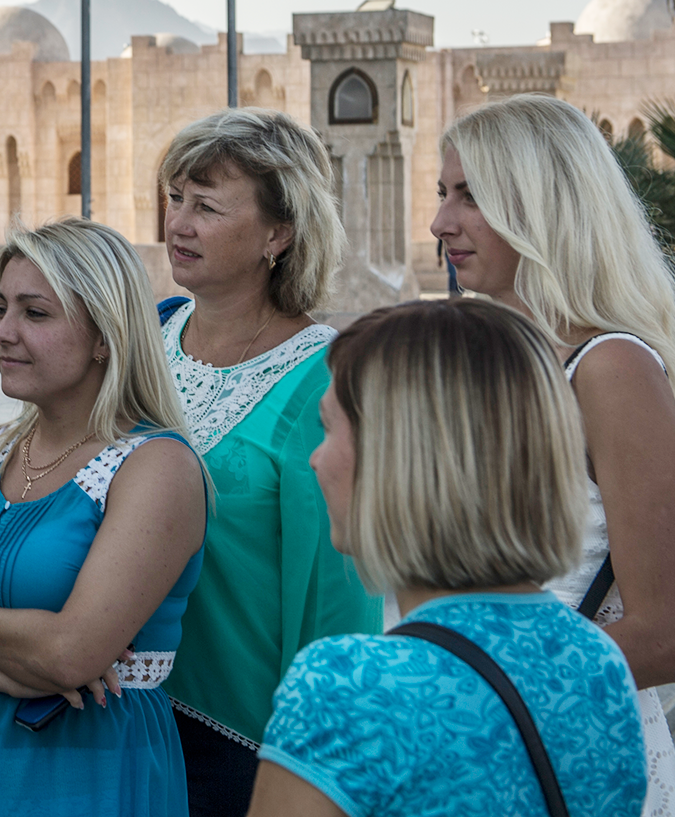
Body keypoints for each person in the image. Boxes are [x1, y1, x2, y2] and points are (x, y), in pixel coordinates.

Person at [250, 298, 648, 817]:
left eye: (329, 429)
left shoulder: (347, 688)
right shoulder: (599, 665)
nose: (315, 458)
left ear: (399, 459)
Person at [0, 218, 209, 815]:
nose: (3, 332)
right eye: (0, 309)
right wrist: (8, 678)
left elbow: (70, 655)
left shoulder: (156, 468)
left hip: (81, 773)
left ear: (105, 334)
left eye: (35, 314)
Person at [434, 93, 675, 815]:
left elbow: (668, 636)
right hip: (455, 741)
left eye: (471, 197)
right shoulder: (470, 353)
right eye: (442, 193)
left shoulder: (610, 367)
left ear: (542, 204)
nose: (440, 223)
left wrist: (465, 682)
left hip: (565, 748)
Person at [153, 108, 379, 816]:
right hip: (115, 718)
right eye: (176, 199)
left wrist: (310, 773)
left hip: (241, 750)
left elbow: (335, 603)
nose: (179, 224)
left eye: (207, 206)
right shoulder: (149, 334)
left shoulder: (328, 377)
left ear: (278, 234)